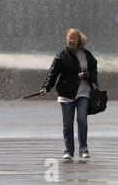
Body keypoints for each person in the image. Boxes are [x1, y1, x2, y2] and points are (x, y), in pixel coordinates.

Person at [40, 28, 98, 160]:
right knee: (68, 124)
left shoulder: (87, 55)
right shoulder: (61, 55)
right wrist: (46, 88)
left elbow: (94, 72)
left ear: (79, 40)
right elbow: (52, 73)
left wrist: (87, 75)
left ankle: (84, 149)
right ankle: (68, 151)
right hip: (66, 93)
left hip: (83, 92)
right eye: (68, 38)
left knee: (82, 119)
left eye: (73, 38)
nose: (70, 40)